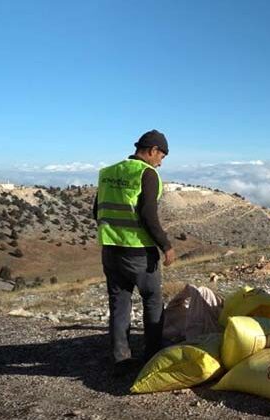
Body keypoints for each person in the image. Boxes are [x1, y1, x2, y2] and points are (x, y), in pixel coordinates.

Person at [94, 129, 176, 375]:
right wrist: (166, 246)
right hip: (138, 251)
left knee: (119, 302)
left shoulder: (108, 172)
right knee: (152, 300)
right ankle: (152, 357)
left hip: (110, 248)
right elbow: (148, 216)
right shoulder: (147, 174)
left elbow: (96, 210)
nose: (160, 163)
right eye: (161, 156)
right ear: (152, 151)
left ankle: (121, 359)